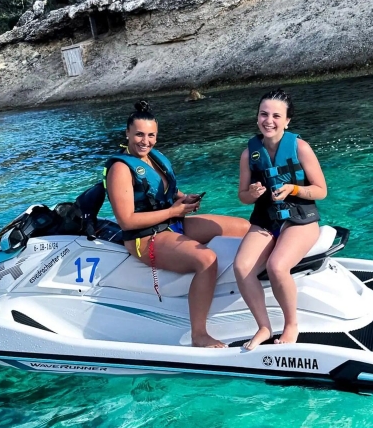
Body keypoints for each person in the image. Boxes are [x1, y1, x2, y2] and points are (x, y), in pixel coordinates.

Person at [104, 100, 249, 348]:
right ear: (127, 133)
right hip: (144, 238)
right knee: (206, 260)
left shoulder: (154, 159)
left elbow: (165, 192)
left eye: (151, 135)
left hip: (172, 224)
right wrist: (173, 210)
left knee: (245, 228)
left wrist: (183, 198)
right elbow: (126, 220)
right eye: (138, 134)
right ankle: (199, 334)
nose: (144, 141)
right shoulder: (120, 169)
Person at [233, 88, 327, 349]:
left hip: (300, 219)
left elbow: (321, 190)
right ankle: (263, 327)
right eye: (264, 114)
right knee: (241, 267)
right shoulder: (248, 154)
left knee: (276, 266)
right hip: (266, 220)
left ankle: (291, 325)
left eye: (276, 116)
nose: (269, 121)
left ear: (287, 121)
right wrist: (252, 193)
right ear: (257, 118)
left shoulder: (300, 147)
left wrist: (294, 189)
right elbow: (242, 197)